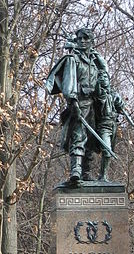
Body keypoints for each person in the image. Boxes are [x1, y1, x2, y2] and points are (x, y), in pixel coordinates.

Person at [46, 28, 109, 182]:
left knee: (91, 140)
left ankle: (86, 172)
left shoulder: (94, 64)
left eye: (86, 38)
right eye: (80, 38)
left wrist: (102, 67)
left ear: (92, 42)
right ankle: (76, 170)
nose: (82, 41)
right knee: (78, 135)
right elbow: (69, 82)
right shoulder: (73, 59)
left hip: (93, 104)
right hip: (79, 103)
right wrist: (73, 102)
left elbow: (104, 85)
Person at [95, 70, 125, 180]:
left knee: (111, 149)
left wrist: (119, 101)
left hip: (113, 125)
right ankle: (103, 176)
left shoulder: (113, 93)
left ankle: (104, 174)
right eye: (101, 77)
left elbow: (121, 109)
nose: (103, 79)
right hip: (103, 126)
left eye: (105, 77)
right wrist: (98, 83)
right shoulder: (98, 92)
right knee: (107, 151)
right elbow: (98, 94)